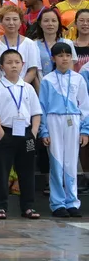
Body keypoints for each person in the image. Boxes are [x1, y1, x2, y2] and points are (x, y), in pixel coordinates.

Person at [0, 49, 43, 219]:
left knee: (27, 171)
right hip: (5, 132)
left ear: (23, 65)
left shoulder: (28, 88)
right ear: (2, 66)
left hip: (26, 133)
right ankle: (0, 206)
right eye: (9, 62)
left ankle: (28, 207)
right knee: (2, 171)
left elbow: (36, 113)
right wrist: (1, 134)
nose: (13, 66)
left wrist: (33, 132)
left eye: (17, 62)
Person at [40, 43, 89, 217]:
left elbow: (85, 105)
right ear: (53, 59)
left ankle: (72, 202)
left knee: (70, 162)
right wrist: (44, 130)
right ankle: (57, 203)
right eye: (60, 56)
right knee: (56, 162)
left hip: (73, 121)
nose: (64, 59)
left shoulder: (78, 79)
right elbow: (42, 107)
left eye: (68, 55)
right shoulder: (47, 80)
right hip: (54, 120)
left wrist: (85, 130)